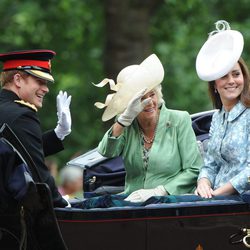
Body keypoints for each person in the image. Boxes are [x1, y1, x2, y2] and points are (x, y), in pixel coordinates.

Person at [94, 54, 203, 203]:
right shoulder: (127, 125)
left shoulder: (179, 119)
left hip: (172, 202)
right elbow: (106, 151)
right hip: (133, 202)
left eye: (152, 94)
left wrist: (161, 191)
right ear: (130, 103)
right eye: (141, 98)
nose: (149, 102)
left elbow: (194, 170)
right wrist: (123, 120)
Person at [0, 49, 72, 207]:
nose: (45, 89)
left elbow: (17, 153)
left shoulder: (6, 109)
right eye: (40, 81)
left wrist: (58, 133)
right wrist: (61, 203)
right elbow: (37, 171)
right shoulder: (22, 115)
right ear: (18, 79)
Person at [195, 20, 250, 198]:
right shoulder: (218, 118)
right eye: (224, 76)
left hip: (241, 200)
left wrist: (218, 193)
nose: (231, 81)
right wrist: (203, 182)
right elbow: (210, 164)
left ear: (244, 78)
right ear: (215, 85)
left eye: (236, 74)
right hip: (214, 198)